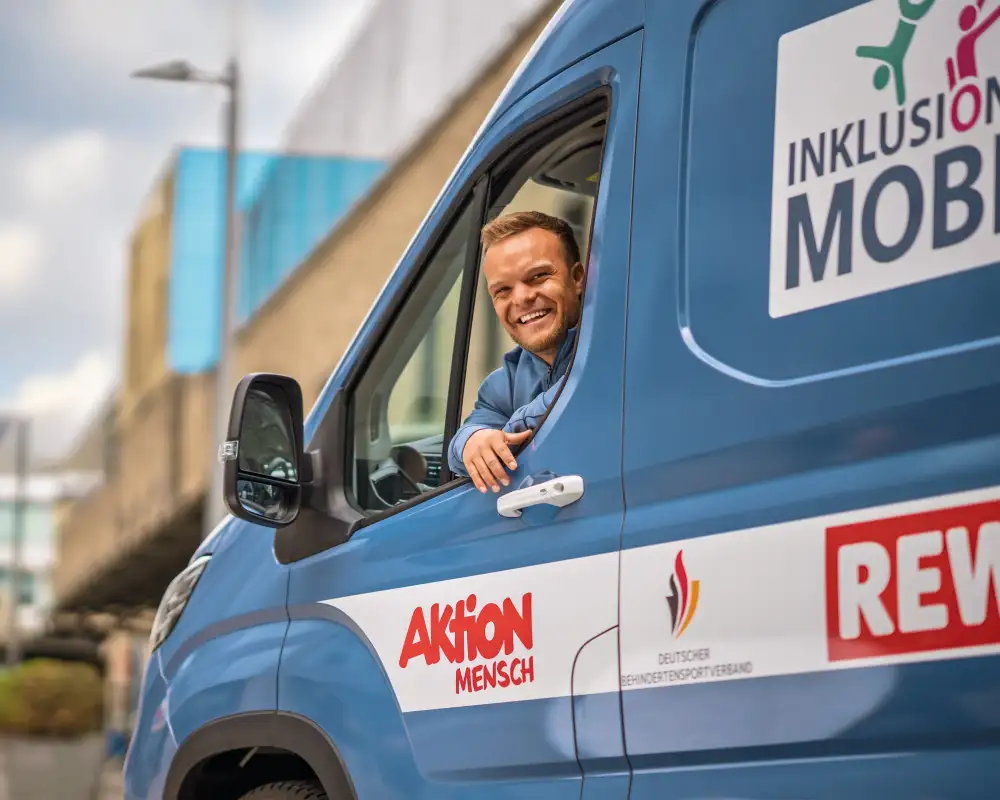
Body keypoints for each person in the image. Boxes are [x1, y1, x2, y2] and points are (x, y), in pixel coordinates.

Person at [446, 210, 585, 493]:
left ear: (578, 278)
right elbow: (462, 442)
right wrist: (475, 442)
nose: (522, 298)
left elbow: (585, 389)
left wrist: (513, 426)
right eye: (503, 291)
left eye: (538, 276)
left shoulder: (616, 340)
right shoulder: (503, 383)